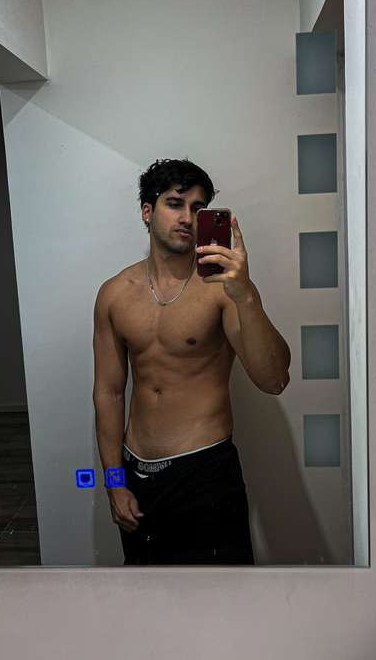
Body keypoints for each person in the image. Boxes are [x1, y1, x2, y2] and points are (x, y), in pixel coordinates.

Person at [92, 158, 291, 565]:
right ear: (147, 211)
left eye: (198, 208)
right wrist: (114, 482)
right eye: (175, 203)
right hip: (136, 473)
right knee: (147, 593)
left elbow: (274, 379)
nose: (187, 217)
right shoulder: (114, 294)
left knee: (221, 597)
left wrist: (246, 293)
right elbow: (109, 394)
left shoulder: (223, 290)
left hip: (206, 474)